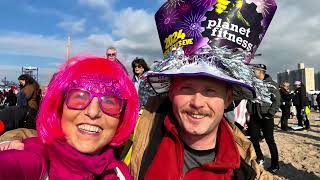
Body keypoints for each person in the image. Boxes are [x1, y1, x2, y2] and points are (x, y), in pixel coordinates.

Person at [0, 55, 139, 179]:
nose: (93, 112)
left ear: (121, 117)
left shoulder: (120, 174)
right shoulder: (30, 163)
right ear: (59, 107)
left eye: (110, 102)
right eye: (79, 97)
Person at [246, 64, 280, 173]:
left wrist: (270, 114)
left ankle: (275, 164)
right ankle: (260, 157)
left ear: (261, 72)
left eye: (255, 70)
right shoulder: (253, 83)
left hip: (266, 116)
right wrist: (249, 110)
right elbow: (249, 98)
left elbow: (276, 101)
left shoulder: (272, 84)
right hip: (254, 116)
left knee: (270, 140)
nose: (253, 72)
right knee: (254, 138)